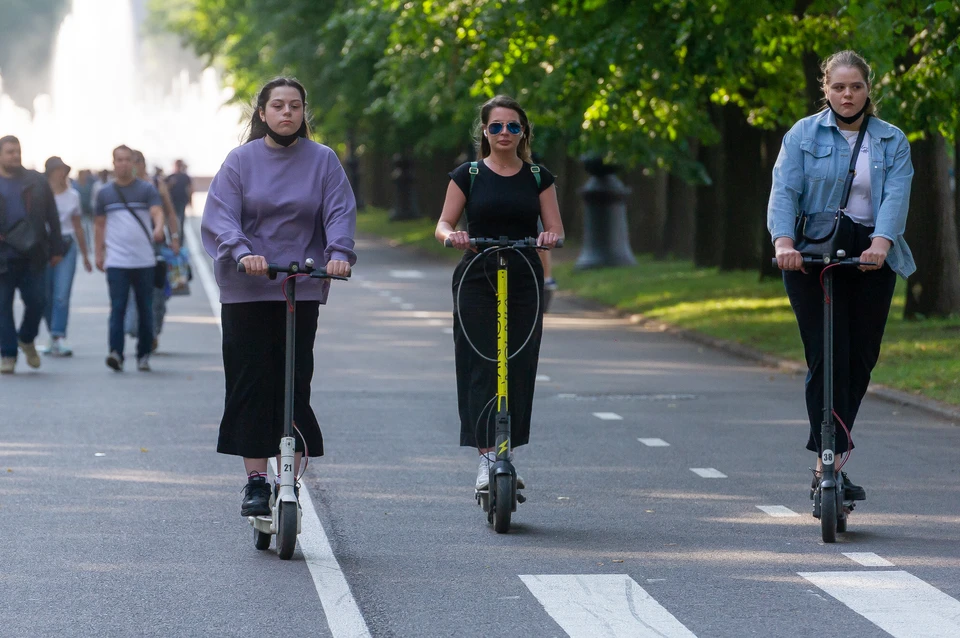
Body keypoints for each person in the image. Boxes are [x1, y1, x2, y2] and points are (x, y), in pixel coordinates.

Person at [201, 77, 357, 516]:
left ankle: (288, 468)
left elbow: (339, 211)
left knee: (293, 378)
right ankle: (255, 480)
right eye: (278, 106)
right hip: (248, 287)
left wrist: (339, 254)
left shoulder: (323, 160)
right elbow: (221, 215)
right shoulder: (240, 161)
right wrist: (242, 252)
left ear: (304, 112)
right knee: (251, 379)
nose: (287, 113)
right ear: (263, 113)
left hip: (298, 283)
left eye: (295, 106)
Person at [768, 50, 914, 501]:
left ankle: (834, 452)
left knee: (859, 360)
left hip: (871, 256)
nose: (847, 95)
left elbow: (895, 196)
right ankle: (827, 460)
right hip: (812, 257)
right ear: (825, 89)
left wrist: (881, 244)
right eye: (838, 87)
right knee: (826, 358)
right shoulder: (802, 134)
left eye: (855, 87)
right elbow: (785, 191)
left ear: (869, 89)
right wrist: (783, 244)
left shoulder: (891, 140)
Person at [435, 95, 563, 491]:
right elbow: (442, 223)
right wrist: (452, 236)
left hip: (524, 275)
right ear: (484, 132)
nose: (504, 133)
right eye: (496, 126)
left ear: (523, 132)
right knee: (482, 365)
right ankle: (486, 458)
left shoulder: (539, 177)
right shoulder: (468, 174)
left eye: (512, 126)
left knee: (518, 365)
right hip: (477, 275)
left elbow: (555, 230)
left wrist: (548, 238)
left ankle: (507, 452)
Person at [94, 145, 165, 372]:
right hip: (117, 261)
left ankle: (143, 354)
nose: (124, 164)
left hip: (144, 260)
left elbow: (157, 211)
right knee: (117, 308)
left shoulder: (146, 190)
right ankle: (116, 352)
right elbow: (99, 225)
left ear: (134, 164)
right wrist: (98, 253)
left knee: (145, 309)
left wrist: (160, 227)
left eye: (128, 160)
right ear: (113, 163)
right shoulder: (104, 193)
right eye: (120, 160)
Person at [0, 136, 63, 374]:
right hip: (3, 257)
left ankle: (26, 338)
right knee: (2, 308)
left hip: (33, 254)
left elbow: (52, 215)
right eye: (9, 152)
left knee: (38, 302)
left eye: (17, 151)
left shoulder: (37, 181)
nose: (15, 155)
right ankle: (7, 354)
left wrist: (56, 248)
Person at [123, 150, 181, 353]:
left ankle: (153, 332)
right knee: (132, 291)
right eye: (132, 162)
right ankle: (139, 330)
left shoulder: (156, 184)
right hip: (130, 247)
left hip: (156, 245)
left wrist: (174, 238)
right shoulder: (123, 187)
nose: (134, 165)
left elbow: (170, 213)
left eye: (138, 161)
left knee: (157, 293)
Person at [41, 156, 92, 356]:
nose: (61, 174)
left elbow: (78, 226)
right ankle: (52, 333)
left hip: (67, 243)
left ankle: (58, 334)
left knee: (61, 295)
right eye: (57, 170)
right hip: (45, 245)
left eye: (63, 169)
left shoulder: (73, 196)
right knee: (45, 295)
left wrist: (85, 254)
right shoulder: (41, 195)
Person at [166, 159, 193, 232]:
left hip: (182, 201)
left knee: (181, 220)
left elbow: (190, 189)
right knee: (171, 219)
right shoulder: (170, 177)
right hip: (172, 202)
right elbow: (164, 190)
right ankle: (173, 236)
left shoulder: (185, 177)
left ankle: (180, 238)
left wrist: (190, 201)